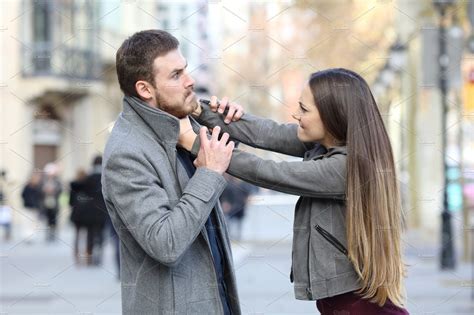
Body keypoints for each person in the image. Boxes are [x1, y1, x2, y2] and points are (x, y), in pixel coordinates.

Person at [179, 68, 409, 314]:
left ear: (333, 116)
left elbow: (271, 172)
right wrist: (200, 111)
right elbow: (269, 132)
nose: (295, 114)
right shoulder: (326, 144)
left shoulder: (347, 167)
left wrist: (192, 142)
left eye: (305, 109)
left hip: (361, 306)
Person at [102, 30, 240, 314]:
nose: (190, 81)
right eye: (176, 75)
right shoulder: (127, 153)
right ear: (145, 89)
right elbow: (165, 243)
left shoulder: (180, 128)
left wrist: (232, 122)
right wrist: (209, 174)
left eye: (186, 69)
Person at [41, 163, 62, 242]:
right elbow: (39, 190)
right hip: (45, 203)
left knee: (54, 220)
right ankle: (48, 235)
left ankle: (53, 234)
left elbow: (60, 190)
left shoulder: (57, 181)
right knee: (47, 220)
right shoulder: (43, 181)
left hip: (54, 203)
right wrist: (45, 190)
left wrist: (53, 191)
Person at [21, 172, 43, 241]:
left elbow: (40, 196)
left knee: (33, 222)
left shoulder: (38, 187)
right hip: (27, 206)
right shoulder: (27, 186)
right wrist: (27, 200)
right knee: (27, 221)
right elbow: (22, 195)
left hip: (35, 207)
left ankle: (31, 236)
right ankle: (27, 235)